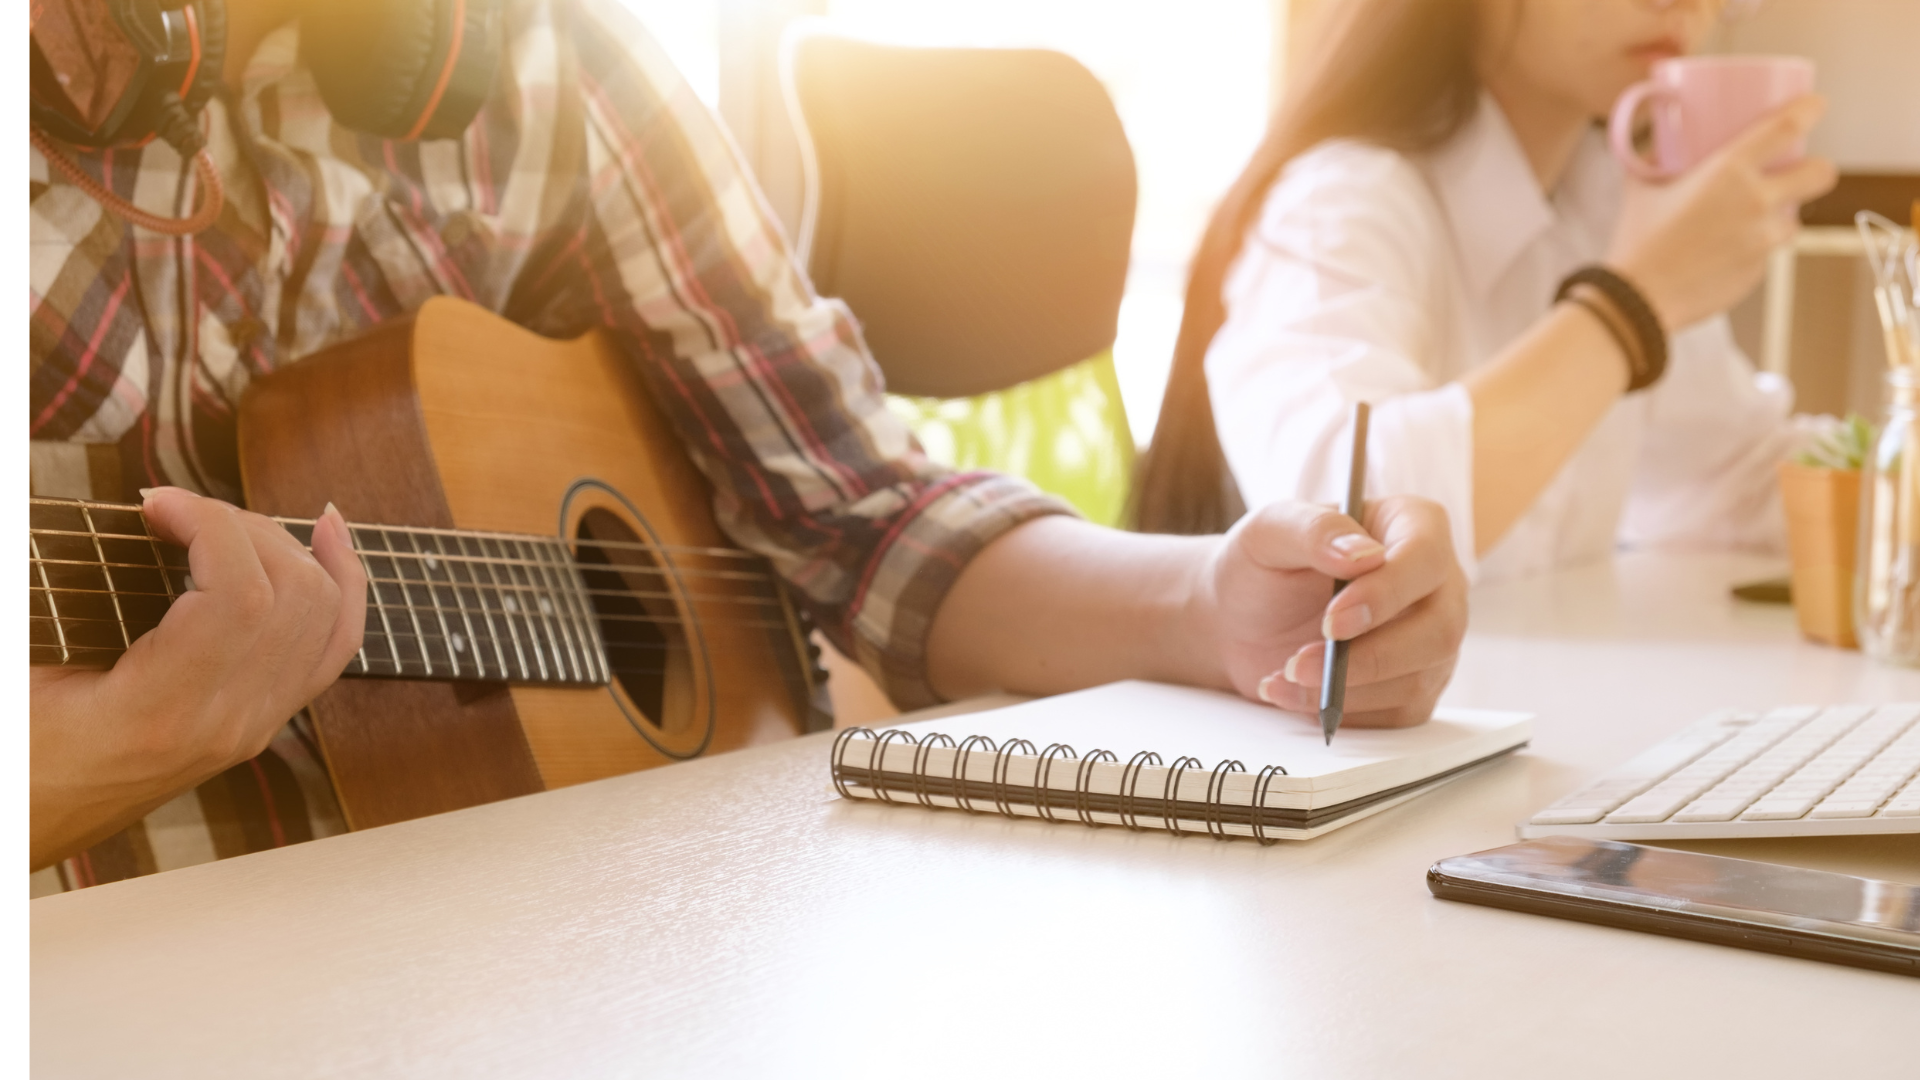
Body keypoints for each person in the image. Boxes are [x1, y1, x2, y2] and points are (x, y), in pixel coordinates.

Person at [28, 0, 1468, 884]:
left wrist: (1212, 604)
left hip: (577, 968)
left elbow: (860, 510)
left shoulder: (547, 56)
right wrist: (96, 758)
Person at [1133, 0, 1839, 585]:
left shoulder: (1602, 200)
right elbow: (1348, 521)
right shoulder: (1343, 198)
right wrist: (1634, 301)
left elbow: (1726, 478)